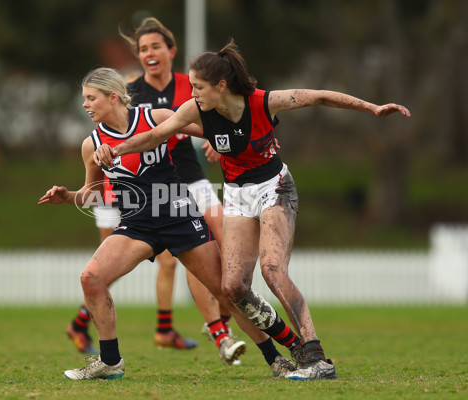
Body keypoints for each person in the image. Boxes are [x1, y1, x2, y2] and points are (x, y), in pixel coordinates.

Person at [94, 40, 412, 380]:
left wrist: (374, 108)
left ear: (221, 85)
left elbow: (319, 95)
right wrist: (116, 148)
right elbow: (155, 136)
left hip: (275, 187)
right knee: (233, 288)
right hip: (236, 196)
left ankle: (317, 358)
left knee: (273, 269)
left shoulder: (264, 101)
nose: (193, 93)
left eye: (198, 87)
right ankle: (290, 348)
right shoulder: (194, 110)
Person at [38, 67, 302, 380]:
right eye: (84, 99)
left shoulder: (156, 117)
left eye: (91, 98)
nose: (85, 105)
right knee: (91, 278)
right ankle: (110, 362)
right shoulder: (91, 145)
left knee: (228, 292)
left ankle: (279, 356)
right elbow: (93, 195)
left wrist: (239, 143)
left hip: (178, 215)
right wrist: (68, 196)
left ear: (113, 97)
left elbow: (222, 130)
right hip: (137, 226)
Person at [65, 17, 230, 354]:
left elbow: (213, 116)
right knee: (111, 266)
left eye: (155, 46)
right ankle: (98, 324)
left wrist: (218, 138)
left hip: (182, 178)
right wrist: (74, 193)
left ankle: (216, 321)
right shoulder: (129, 91)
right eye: (142, 49)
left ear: (171, 51)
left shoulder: (191, 84)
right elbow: (96, 170)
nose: (149, 53)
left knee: (223, 242)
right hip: (124, 189)